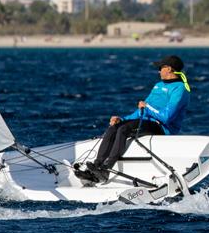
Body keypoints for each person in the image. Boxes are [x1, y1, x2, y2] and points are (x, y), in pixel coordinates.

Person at [75, 54, 191, 184]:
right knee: (115, 126)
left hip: (162, 127)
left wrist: (147, 107)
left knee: (124, 129)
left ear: (169, 69)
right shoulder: (158, 85)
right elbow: (140, 112)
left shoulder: (180, 89)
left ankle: (106, 170)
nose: (159, 71)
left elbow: (167, 117)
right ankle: (96, 167)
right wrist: (122, 119)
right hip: (146, 122)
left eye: (161, 68)